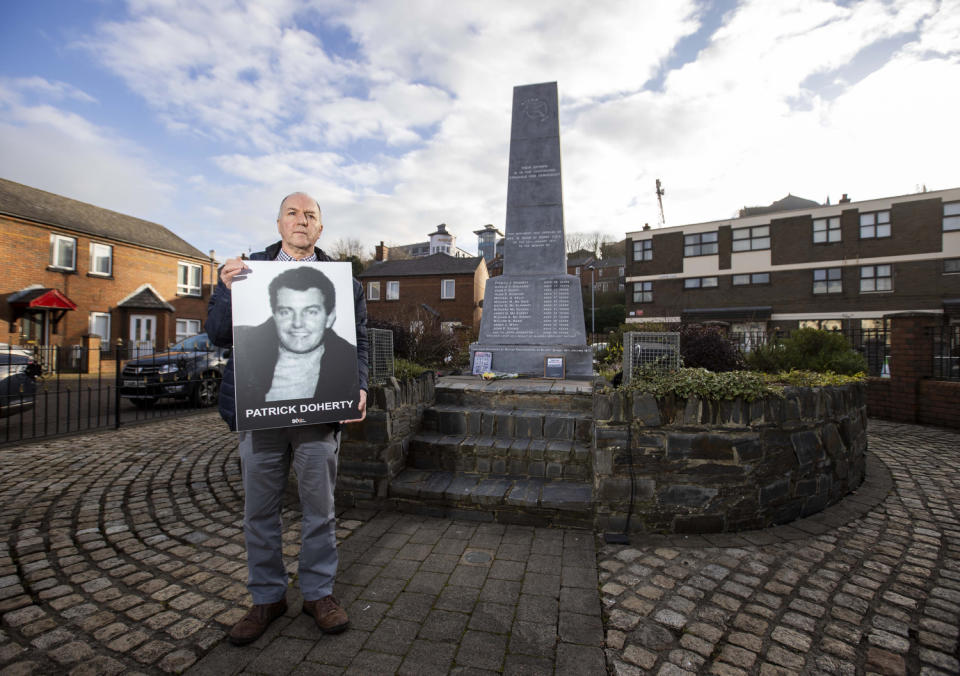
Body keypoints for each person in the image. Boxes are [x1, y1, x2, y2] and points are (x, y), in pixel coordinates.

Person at [205, 192, 368, 645]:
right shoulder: (247, 273)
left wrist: (360, 384)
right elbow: (218, 334)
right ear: (279, 224)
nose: (302, 220)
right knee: (260, 511)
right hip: (261, 418)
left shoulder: (346, 284)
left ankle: (318, 594)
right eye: (293, 213)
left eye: (310, 215)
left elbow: (361, 343)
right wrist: (223, 288)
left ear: (320, 228)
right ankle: (267, 598)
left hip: (319, 415)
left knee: (321, 510)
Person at [233, 265, 359, 413]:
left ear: (330, 317)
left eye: (311, 312)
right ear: (274, 316)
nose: (297, 323)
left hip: (320, 430)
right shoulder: (245, 351)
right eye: (286, 312)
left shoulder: (350, 363)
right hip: (260, 433)